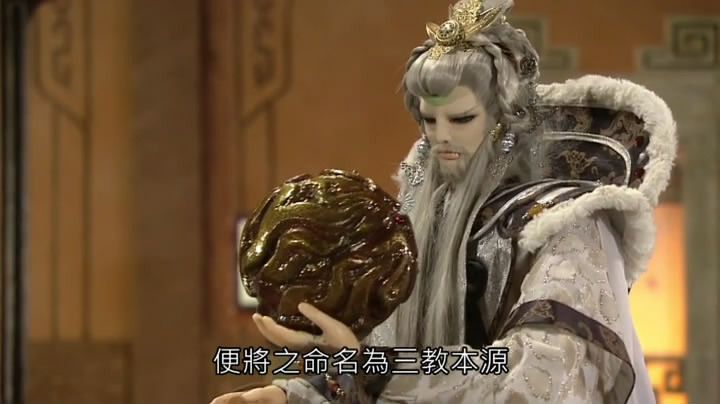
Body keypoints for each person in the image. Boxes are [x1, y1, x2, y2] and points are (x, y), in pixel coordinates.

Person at [211, 0, 676, 402]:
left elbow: (540, 381)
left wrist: (372, 369)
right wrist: (293, 394)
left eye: (461, 119)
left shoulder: (565, 223)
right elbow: (387, 354)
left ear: (503, 118)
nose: (441, 138)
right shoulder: (426, 216)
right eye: (429, 121)